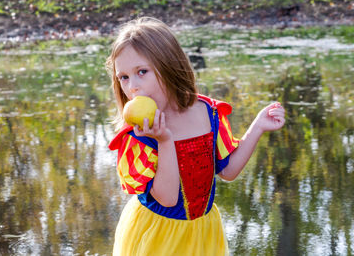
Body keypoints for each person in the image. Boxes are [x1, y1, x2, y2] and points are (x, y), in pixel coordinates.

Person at [105, 17, 285, 256]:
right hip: (157, 236)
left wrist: (258, 126)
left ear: (168, 66)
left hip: (203, 232)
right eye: (124, 77)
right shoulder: (137, 135)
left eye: (142, 71)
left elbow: (228, 171)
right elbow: (168, 198)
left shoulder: (207, 112)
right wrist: (164, 141)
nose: (133, 86)